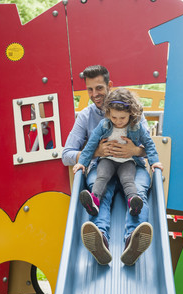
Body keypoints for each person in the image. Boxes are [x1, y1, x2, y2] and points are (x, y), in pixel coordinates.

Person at [62, 65, 156, 266]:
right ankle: (100, 240)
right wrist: (96, 152)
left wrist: (134, 151)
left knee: (138, 190)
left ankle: (133, 239)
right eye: (90, 89)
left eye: (99, 88)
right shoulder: (86, 116)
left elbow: (148, 146)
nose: (94, 94)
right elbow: (66, 155)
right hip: (102, 165)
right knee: (99, 189)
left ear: (109, 85)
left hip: (132, 164)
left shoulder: (129, 110)